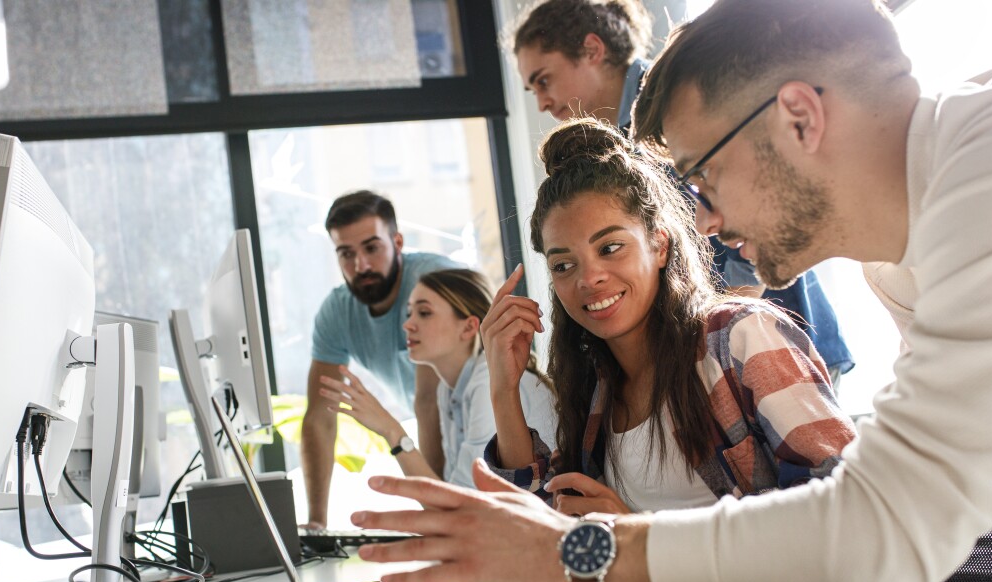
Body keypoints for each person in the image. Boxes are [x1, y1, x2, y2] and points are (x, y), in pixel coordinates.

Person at [350, 0, 992, 582]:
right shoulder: (896, 264)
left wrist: (572, 550)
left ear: (798, 118)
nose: (700, 219)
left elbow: (886, 526)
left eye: (702, 177)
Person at [480, 118, 854, 516]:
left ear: (659, 245)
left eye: (609, 248)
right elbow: (541, 524)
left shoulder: (739, 337)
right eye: (563, 265)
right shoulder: (595, 387)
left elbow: (843, 505)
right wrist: (504, 388)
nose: (589, 278)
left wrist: (637, 536)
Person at [509, 0, 854, 386]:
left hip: (766, 343)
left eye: (543, 80)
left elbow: (759, 216)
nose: (541, 102)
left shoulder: (674, 112)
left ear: (592, 50)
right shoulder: (618, 145)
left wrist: (717, 339)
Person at [301, 190, 460, 527]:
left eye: (372, 248)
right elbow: (319, 418)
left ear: (398, 241)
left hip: (480, 429)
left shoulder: (430, 284)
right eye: (346, 254)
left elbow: (428, 403)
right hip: (435, 435)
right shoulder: (337, 312)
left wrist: (437, 515)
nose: (361, 266)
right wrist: (317, 524)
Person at [318, 268, 557, 489]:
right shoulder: (448, 390)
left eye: (424, 313)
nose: (408, 324)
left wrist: (391, 431)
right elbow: (454, 495)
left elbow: (462, 507)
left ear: (468, 327)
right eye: (409, 313)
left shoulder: (486, 382)